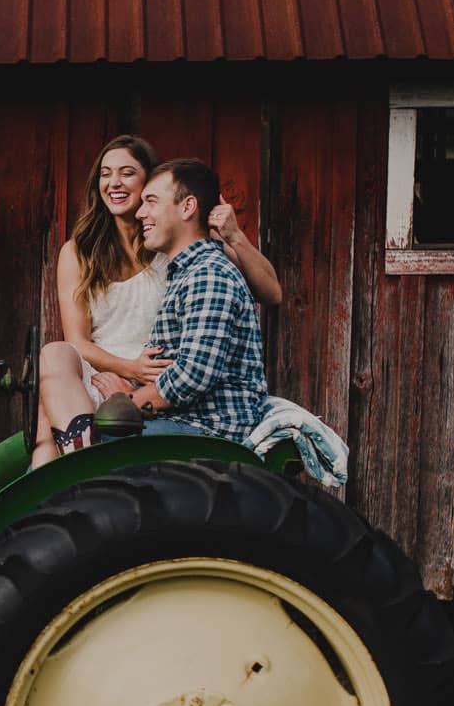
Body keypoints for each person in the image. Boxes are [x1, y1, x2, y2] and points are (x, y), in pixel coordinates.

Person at [33, 137, 280, 465]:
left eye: (127, 173)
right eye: (105, 174)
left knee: (53, 421)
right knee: (53, 363)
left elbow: (271, 294)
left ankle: (72, 474)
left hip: (156, 384)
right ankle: (65, 467)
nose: (114, 182)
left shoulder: (185, 251)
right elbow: (77, 341)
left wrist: (233, 234)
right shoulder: (80, 251)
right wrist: (127, 371)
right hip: (113, 374)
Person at [125, 157, 269, 440]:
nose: (140, 213)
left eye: (151, 201)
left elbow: (192, 378)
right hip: (182, 422)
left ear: (188, 207)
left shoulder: (208, 275)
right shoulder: (187, 272)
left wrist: (126, 402)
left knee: (82, 450)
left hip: (205, 431)